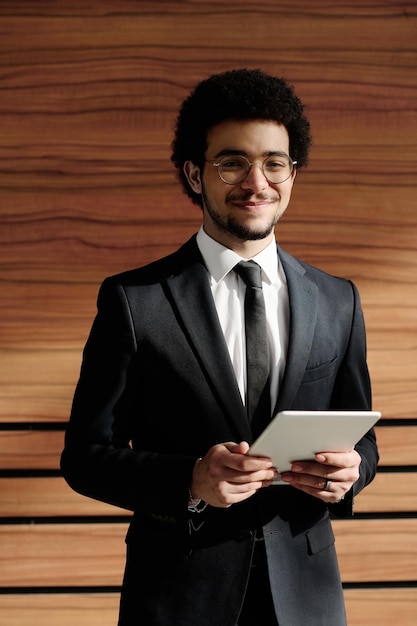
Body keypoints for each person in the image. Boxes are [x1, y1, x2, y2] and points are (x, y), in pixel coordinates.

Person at [61, 68, 379, 626]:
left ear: (292, 173)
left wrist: (351, 470)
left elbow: (364, 442)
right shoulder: (134, 301)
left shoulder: (339, 300)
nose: (256, 182)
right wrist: (190, 481)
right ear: (194, 173)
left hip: (307, 597)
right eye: (233, 162)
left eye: (274, 163)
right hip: (179, 594)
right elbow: (85, 457)